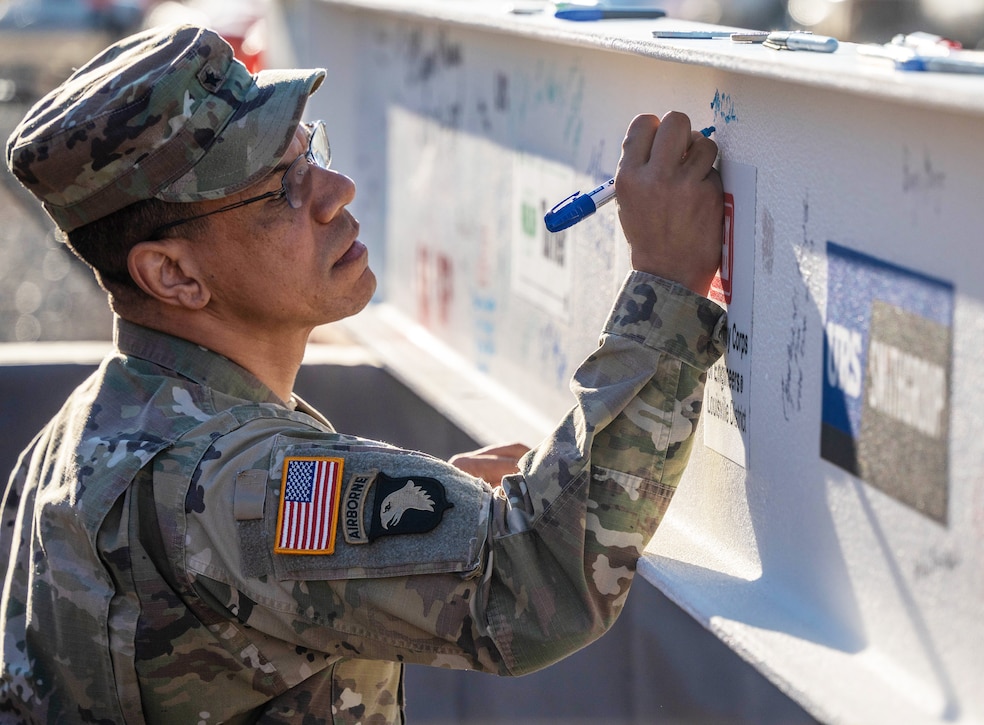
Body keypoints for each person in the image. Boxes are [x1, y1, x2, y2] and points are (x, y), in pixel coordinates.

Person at [1, 23, 726, 724]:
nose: (335, 190)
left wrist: (406, 520)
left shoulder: (73, 441)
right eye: (280, 186)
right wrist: (665, 283)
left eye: (307, 150)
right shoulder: (233, 487)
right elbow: (535, 578)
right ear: (173, 274)